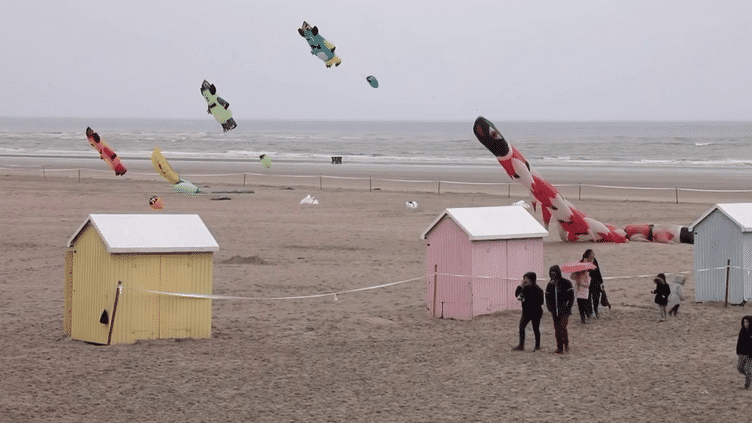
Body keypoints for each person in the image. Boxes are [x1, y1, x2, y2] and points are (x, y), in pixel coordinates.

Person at [512, 272, 545, 351]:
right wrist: (521, 285)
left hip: (536, 312)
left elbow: (541, 302)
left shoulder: (538, 289)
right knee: (521, 327)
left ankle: (537, 346)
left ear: (531, 279)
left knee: (535, 328)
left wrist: (531, 302)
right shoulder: (525, 288)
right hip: (526, 311)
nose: (525, 280)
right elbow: (517, 295)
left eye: (526, 279)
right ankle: (521, 345)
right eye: (524, 279)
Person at [546, 265, 574, 354]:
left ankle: (566, 344)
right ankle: (559, 348)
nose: (553, 275)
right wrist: (550, 308)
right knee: (557, 329)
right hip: (554, 310)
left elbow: (571, 297)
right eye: (551, 273)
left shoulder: (566, 283)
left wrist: (568, 307)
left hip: (564, 310)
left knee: (562, 327)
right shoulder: (550, 285)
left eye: (554, 273)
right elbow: (547, 297)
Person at [583, 249, 604, 318]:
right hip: (587, 283)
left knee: (596, 297)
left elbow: (598, 272)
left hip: (596, 282)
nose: (594, 255)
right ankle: (589, 312)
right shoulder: (583, 262)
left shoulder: (594, 260)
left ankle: (595, 309)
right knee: (588, 298)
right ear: (589, 255)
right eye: (592, 254)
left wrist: (601, 282)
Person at [737, 316, 752, 389]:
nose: (745, 324)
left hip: (750, 355)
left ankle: (747, 384)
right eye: (744, 322)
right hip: (742, 353)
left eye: (747, 322)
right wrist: (738, 351)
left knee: (748, 370)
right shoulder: (742, 330)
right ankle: (750, 377)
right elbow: (739, 342)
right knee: (740, 368)